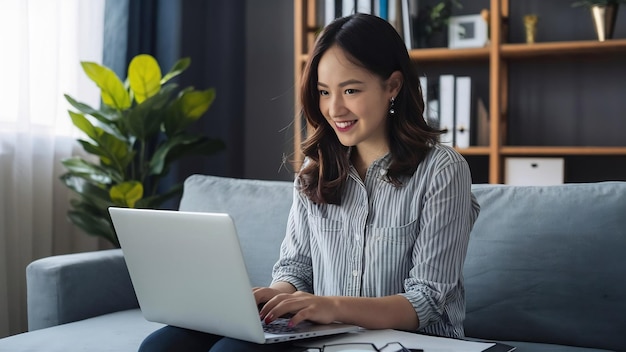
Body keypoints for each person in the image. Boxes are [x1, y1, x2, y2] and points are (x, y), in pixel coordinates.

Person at [138, 12, 480, 352]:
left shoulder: (442, 170)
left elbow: (428, 300)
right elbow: (296, 267)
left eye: (350, 90)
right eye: (323, 92)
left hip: (412, 343)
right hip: (331, 336)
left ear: (392, 86)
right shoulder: (315, 172)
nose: (334, 109)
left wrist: (331, 306)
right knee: (163, 345)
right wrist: (279, 295)